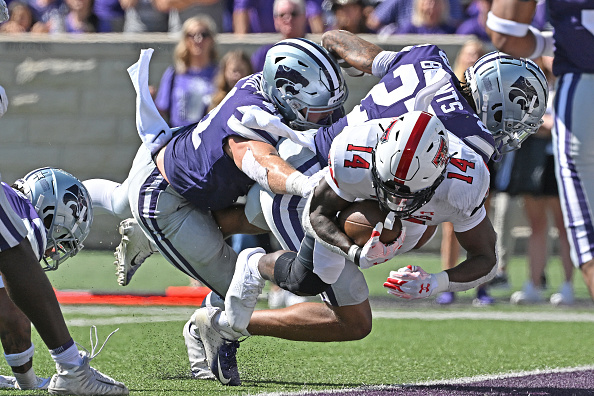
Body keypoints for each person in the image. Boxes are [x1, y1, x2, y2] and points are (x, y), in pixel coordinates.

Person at [188, 30, 548, 385]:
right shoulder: (468, 153)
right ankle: (225, 314)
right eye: (515, 122)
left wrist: (330, 40)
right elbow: (484, 253)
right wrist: (363, 253)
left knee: (401, 231)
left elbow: (357, 48)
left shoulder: (428, 61)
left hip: (318, 155)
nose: (513, 133)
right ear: (496, 105)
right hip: (320, 184)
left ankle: (199, 260)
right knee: (331, 291)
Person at [83, 37, 347, 379]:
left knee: (265, 208)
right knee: (237, 285)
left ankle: (145, 237)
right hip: (167, 199)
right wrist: (307, 184)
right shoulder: (252, 118)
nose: (328, 117)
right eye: (320, 108)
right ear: (285, 91)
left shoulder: (265, 89)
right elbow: (260, 162)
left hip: (173, 152)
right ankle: (200, 334)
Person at [486, 0, 594, 301]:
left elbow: (505, 34)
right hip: (542, 153)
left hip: (584, 86)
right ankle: (537, 283)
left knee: (585, 235)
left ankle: (565, 285)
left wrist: (558, 39)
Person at [0, 167, 128, 394]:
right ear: (50, 210)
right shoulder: (29, 222)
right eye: (61, 235)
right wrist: (29, 384)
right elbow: (11, 317)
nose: (54, 250)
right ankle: (73, 371)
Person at [435, 38, 492, 306]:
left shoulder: (489, 93)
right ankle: (449, 284)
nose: (472, 59)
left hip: (480, 162)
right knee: (450, 226)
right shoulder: (449, 90)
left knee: (481, 223)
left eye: (477, 55)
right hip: (451, 162)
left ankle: (481, 285)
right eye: (469, 55)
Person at [154, 15, 218, 127]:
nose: (198, 40)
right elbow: (161, 109)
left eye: (204, 34)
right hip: (179, 136)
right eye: (191, 35)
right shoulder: (174, 74)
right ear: (185, 40)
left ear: (211, 40)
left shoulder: (219, 73)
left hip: (208, 138)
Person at [250, 0, 308, 73]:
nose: (288, 18)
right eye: (282, 15)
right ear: (275, 20)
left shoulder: (315, 53)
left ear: (304, 17)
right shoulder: (264, 55)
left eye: (294, 14)